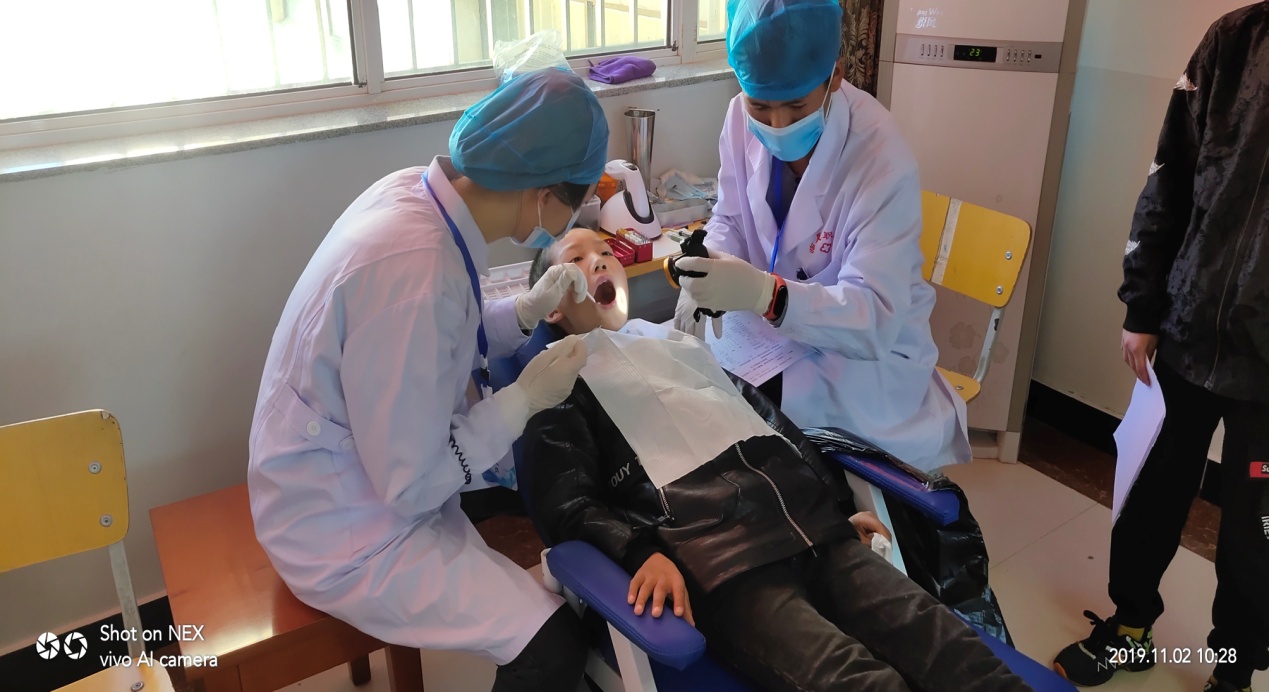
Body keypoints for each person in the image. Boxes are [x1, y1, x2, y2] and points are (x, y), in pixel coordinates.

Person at [520, 226, 1031, 692]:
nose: (600, 261)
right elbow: (566, 503)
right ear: (550, 308)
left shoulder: (675, 343)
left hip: (812, 528)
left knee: (951, 647)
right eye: (576, 260)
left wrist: (836, 505)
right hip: (720, 561)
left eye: (606, 251)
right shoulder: (556, 382)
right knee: (862, 683)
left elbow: (770, 425)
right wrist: (638, 553)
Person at [247, 68, 609, 691]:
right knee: (551, 646)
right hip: (341, 526)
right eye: (576, 206)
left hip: (343, 468)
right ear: (546, 194)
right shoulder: (416, 271)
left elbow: (441, 333)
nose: (573, 225)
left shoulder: (415, 196)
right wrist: (522, 401)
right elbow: (411, 484)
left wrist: (523, 313)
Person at [1052, 5, 1269, 692]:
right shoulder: (1234, 40)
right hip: (1187, 328)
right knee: (1150, 496)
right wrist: (1143, 305)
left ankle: (1232, 672)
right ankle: (1130, 632)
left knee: (1256, 531)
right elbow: (1169, 176)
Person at [671, 0, 968, 473]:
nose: (777, 125)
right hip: (771, 341)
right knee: (690, 378)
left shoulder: (881, 158)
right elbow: (731, 217)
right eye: (760, 106)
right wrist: (710, 265)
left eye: (797, 106)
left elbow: (874, 316)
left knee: (755, 417)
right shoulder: (737, 117)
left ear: (835, 76)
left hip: (865, 358)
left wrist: (768, 296)